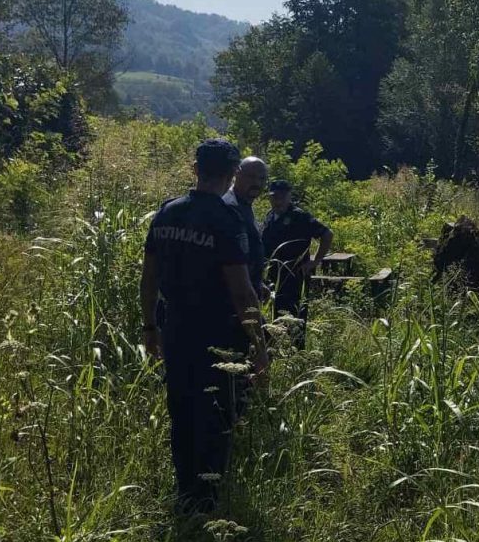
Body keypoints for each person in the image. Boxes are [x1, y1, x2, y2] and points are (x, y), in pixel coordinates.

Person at [139, 138, 269, 514]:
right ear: (232, 175)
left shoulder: (166, 213)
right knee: (215, 416)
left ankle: (185, 494)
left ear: (194, 169)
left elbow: (148, 279)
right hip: (219, 335)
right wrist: (260, 346)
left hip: (175, 330)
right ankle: (206, 503)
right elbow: (243, 294)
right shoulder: (225, 220)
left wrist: (150, 329)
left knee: (181, 412)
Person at [261, 179, 333, 349]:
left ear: (289, 196)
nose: (277, 199)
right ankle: (276, 352)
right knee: (273, 315)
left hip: (295, 276)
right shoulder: (270, 216)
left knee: (296, 318)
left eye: (281, 196)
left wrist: (316, 260)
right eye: (274, 196)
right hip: (272, 276)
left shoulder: (300, 216)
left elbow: (327, 234)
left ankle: (296, 354)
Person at [223, 156, 271, 301]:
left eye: (262, 179)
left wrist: (256, 283)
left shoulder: (244, 205)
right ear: (237, 174)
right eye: (251, 177)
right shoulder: (230, 207)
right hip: (232, 300)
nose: (257, 183)